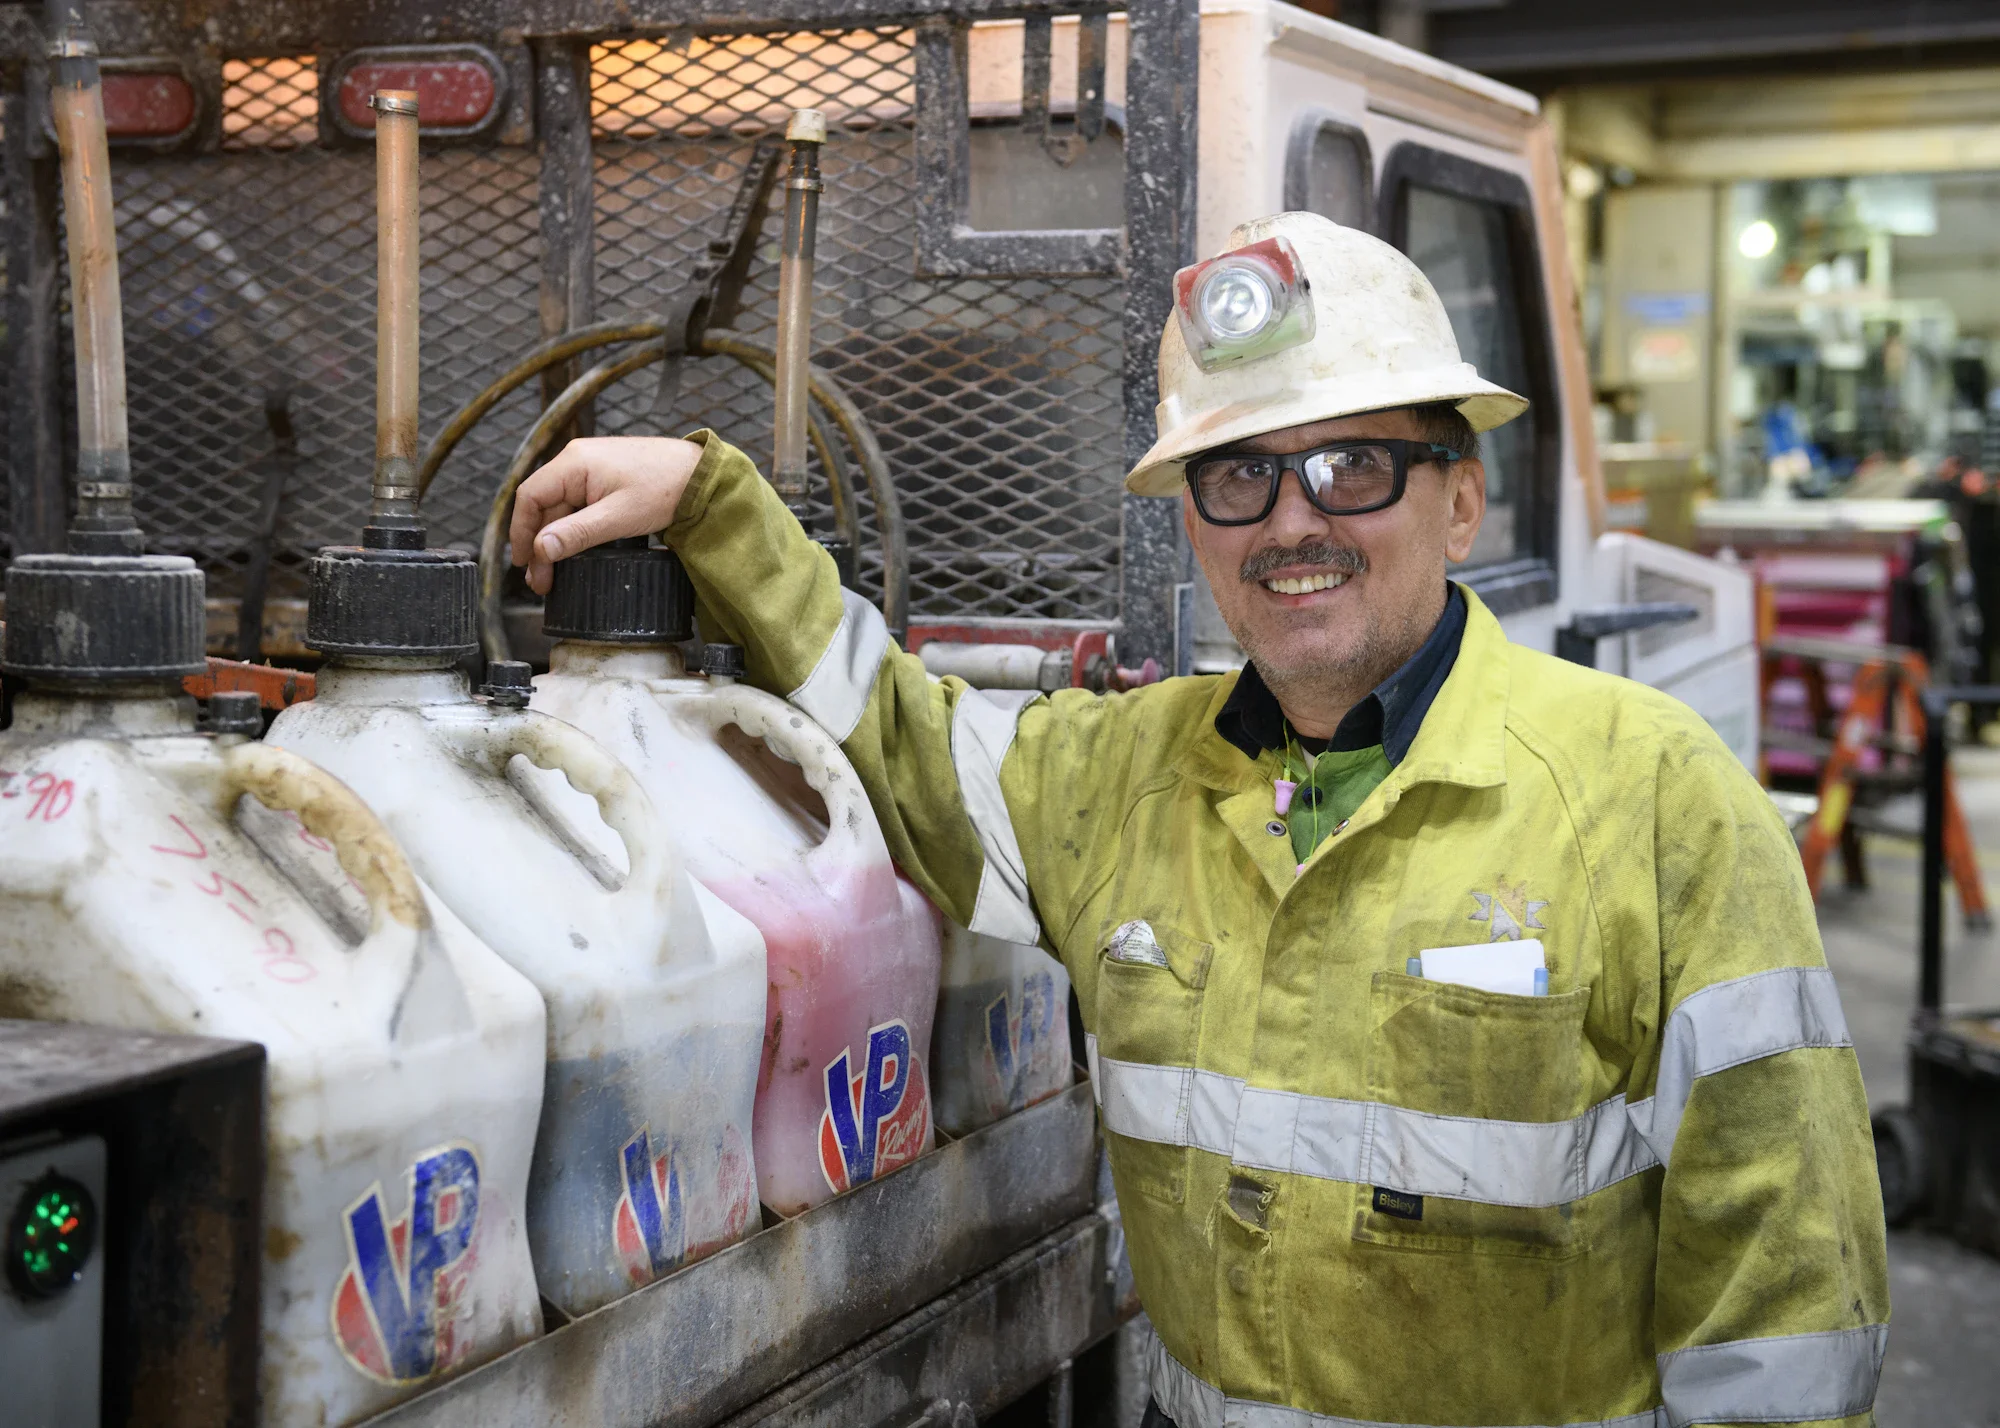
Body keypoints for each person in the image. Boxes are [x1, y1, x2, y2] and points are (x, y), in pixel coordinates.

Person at [511, 212, 1888, 1428]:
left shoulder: (1654, 795)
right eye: (1240, 478)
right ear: (1198, 528)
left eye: (1354, 465)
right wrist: (712, 505)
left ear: (1461, 498)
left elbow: (1788, 1299)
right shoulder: (1120, 778)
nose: (1295, 521)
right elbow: (903, 740)